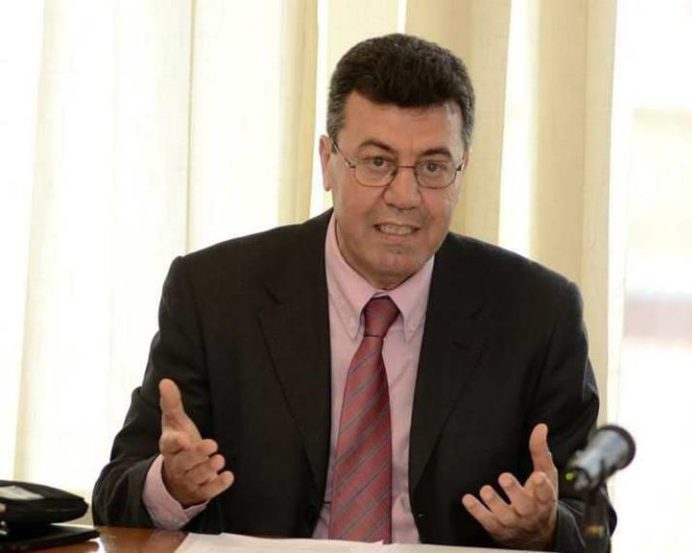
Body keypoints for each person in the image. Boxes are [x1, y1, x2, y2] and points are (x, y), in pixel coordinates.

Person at [92, 33, 613, 552]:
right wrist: (172, 486)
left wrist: (545, 528)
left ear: (461, 171)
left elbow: (592, 522)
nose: (405, 196)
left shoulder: (538, 313)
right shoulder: (215, 293)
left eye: (433, 167)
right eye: (377, 162)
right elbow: (116, 495)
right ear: (328, 161)